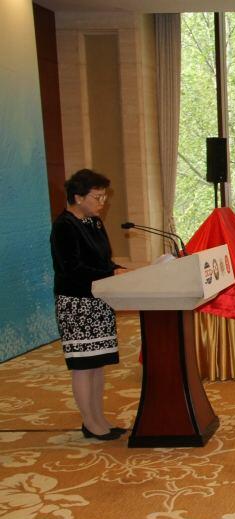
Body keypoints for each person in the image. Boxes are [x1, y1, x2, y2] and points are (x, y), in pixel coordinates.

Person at [50, 169, 129, 441]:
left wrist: (117, 269)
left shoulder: (93, 222)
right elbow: (71, 268)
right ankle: (90, 422)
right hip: (77, 305)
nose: (102, 202)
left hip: (98, 302)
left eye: (104, 196)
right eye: (97, 197)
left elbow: (103, 260)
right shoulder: (64, 226)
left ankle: (98, 419)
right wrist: (110, 274)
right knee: (83, 366)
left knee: (97, 365)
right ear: (78, 197)